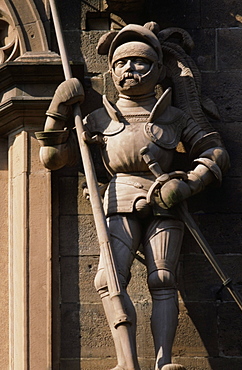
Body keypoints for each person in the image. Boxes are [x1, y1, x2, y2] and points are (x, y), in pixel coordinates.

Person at [37, 23, 229, 370]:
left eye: (141, 62)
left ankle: (164, 362)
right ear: (111, 71)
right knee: (107, 278)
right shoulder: (97, 118)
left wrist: (189, 183)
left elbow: (215, 151)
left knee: (163, 278)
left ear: (158, 70)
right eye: (123, 63)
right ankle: (126, 363)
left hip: (166, 198)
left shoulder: (174, 116)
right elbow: (52, 159)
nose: (131, 69)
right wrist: (58, 109)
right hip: (119, 196)